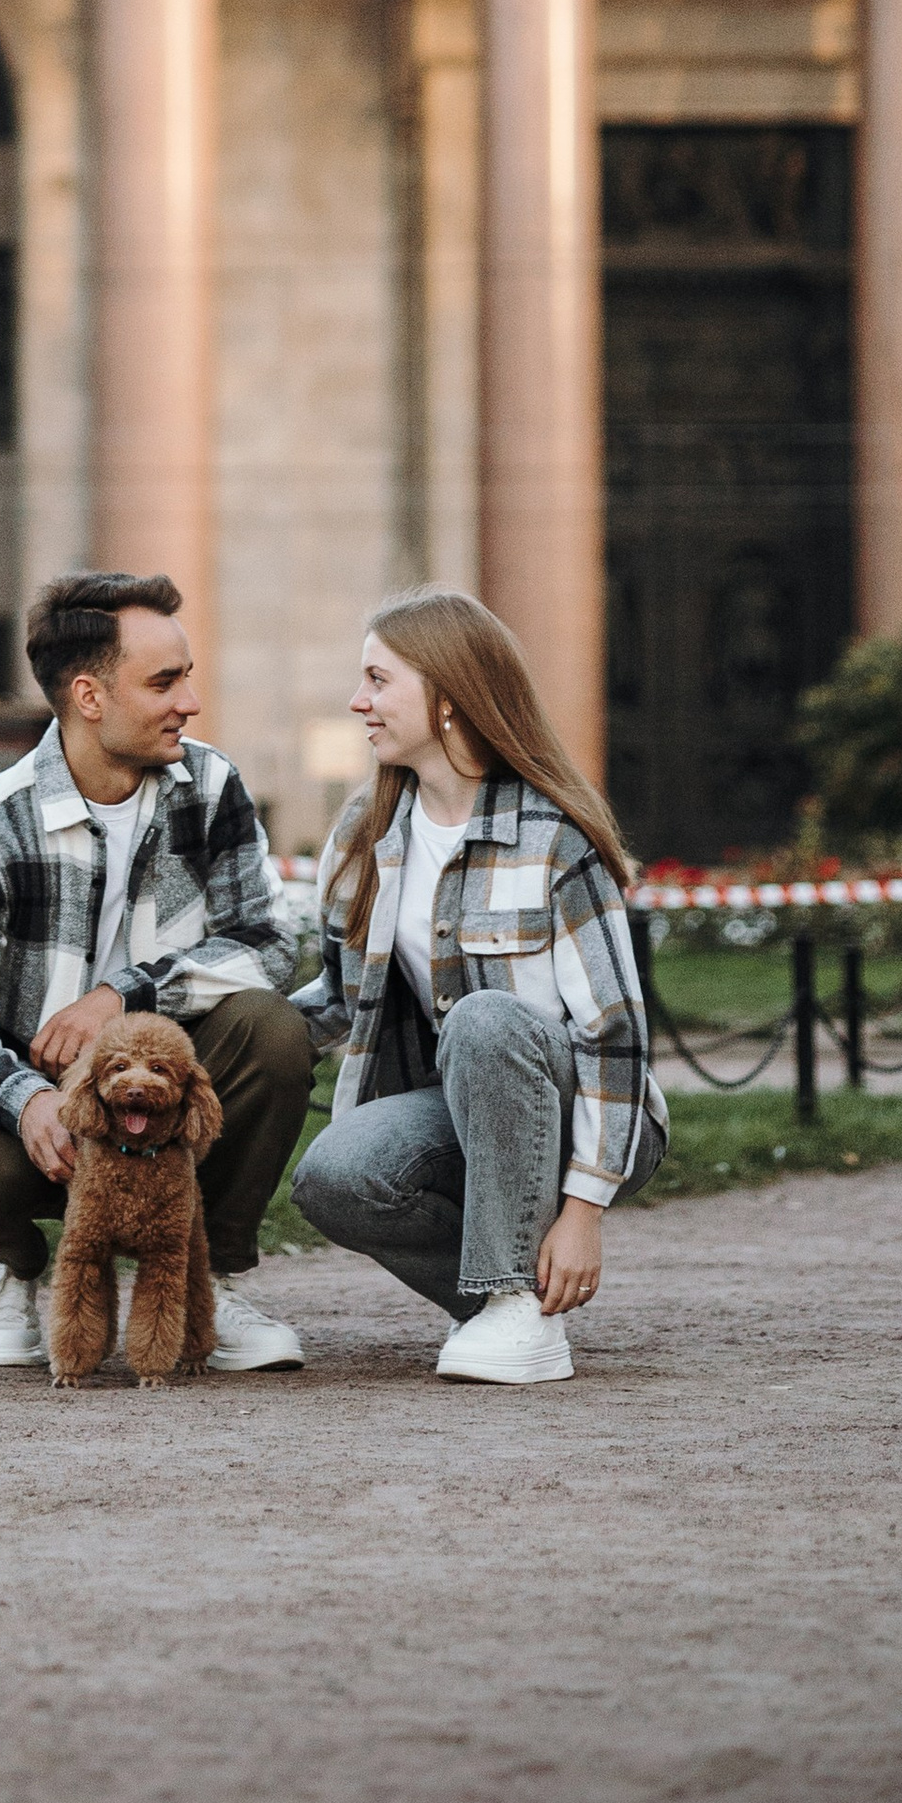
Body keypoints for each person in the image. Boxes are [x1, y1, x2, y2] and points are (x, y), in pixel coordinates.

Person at [0, 568, 316, 1374]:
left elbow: (266, 944)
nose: (189, 702)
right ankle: (14, 1264)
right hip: (27, 1092)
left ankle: (210, 1273)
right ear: (89, 696)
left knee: (274, 1029)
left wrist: (123, 994)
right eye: (164, 681)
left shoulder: (211, 788)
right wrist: (27, 1102)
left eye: (187, 676)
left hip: (162, 1084)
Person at [289, 586, 668, 1385]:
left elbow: (616, 1033)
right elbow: (332, 997)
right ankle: (513, 1307)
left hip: (581, 1115)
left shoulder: (551, 837)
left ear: (450, 696)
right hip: (459, 1115)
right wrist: (220, 1036)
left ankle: (512, 1299)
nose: (359, 700)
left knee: (487, 1019)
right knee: (332, 1175)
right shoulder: (365, 832)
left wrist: (584, 1212)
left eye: (378, 679)